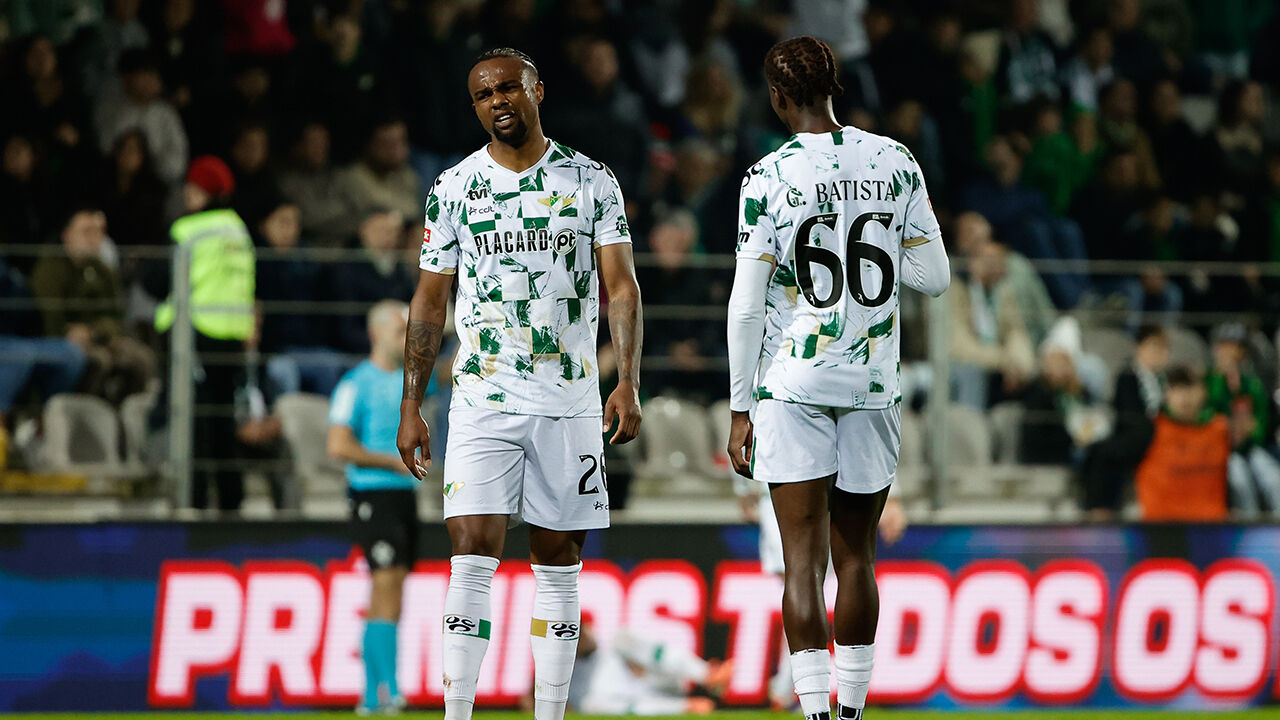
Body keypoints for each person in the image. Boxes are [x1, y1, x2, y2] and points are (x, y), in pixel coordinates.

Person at [396, 48, 643, 720]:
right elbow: (430, 298)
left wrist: (628, 380)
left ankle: (550, 712)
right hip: (482, 397)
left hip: (570, 400)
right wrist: (412, 402)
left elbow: (622, 287)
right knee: (470, 553)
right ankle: (457, 712)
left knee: (557, 562)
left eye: (508, 87)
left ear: (538, 90)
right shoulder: (454, 187)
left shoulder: (591, 180)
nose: (497, 101)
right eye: (483, 95)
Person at [726, 37, 949, 720]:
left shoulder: (768, 176)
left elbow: (745, 306)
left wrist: (739, 408)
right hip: (873, 382)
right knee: (858, 561)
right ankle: (851, 712)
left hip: (794, 383)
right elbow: (935, 277)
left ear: (776, 97)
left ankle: (816, 713)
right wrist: (874, 256)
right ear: (835, 85)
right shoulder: (894, 160)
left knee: (802, 564)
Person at [328, 300, 419, 715]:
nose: (405, 340)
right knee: (383, 584)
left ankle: (375, 694)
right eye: (399, 332)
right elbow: (338, 445)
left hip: (403, 495)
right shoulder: (355, 384)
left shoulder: (411, 381)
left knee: (394, 587)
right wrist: (391, 461)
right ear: (376, 333)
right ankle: (385, 691)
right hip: (371, 494)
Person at [152, 155, 255, 511]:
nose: (187, 195)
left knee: (192, 421)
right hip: (232, 336)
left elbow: (155, 281)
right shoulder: (239, 230)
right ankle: (231, 500)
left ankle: (192, 500)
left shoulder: (188, 230)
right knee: (223, 419)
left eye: (193, 189)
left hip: (193, 334)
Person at [1079, 325, 1169, 519]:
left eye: (1161, 348)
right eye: (1153, 346)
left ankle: (1101, 508)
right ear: (1139, 348)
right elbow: (1126, 412)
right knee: (1100, 451)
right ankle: (1098, 508)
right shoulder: (1127, 376)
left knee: (1105, 453)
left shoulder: (1166, 380)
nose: (1157, 353)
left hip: (1157, 434)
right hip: (1134, 432)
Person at [1135, 365, 1231, 522]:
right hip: (1163, 528)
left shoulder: (1221, 428)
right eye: (1177, 389)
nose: (1184, 396)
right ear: (1166, 394)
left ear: (1204, 392)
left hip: (1211, 527)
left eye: (1190, 387)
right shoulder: (1150, 430)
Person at [1205, 323, 1280, 515]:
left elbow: (1261, 419)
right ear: (1216, 348)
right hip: (1220, 448)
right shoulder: (1208, 380)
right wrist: (1222, 379)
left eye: (1236, 347)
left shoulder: (1251, 383)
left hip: (1250, 447)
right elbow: (1206, 413)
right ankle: (1248, 525)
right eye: (1225, 346)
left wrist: (1251, 433)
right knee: (1239, 478)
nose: (1231, 352)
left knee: (1273, 477)